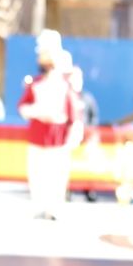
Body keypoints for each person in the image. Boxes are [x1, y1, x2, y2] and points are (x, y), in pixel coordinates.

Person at [18, 29, 78, 220]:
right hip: (38, 136)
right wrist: (37, 111)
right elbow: (23, 106)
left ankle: (54, 208)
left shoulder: (65, 85)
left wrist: (72, 134)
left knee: (57, 175)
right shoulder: (35, 84)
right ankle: (39, 206)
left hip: (57, 138)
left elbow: (72, 114)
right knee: (37, 174)